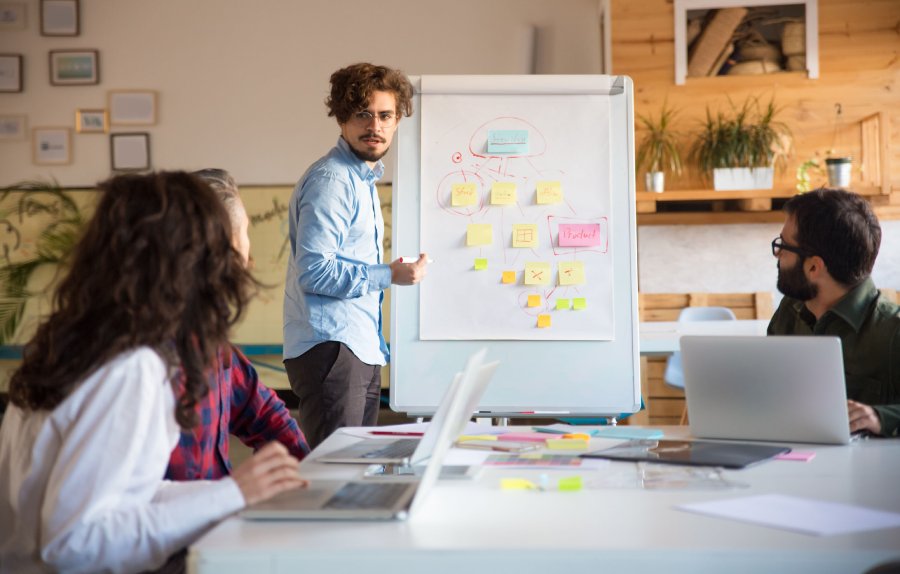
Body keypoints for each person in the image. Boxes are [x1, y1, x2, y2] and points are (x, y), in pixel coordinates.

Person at [0, 172, 307, 573]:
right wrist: (231, 493)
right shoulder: (133, 366)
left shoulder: (74, 340)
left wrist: (235, 494)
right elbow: (75, 543)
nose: (241, 263)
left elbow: (130, 495)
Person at [283, 63, 429, 449]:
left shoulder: (360, 178)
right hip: (333, 347)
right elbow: (314, 272)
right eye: (363, 114)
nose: (375, 126)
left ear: (398, 120)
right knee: (338, 475)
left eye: (385, 115)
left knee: (355, 470)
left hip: (355, 346)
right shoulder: (333, 181)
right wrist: (389, 275)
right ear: (342, 116)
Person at [165, 168, 309, 481]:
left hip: (218, 516)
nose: (249, 256)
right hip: (189, 525)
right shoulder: (157, 356)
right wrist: (234, 495)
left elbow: (264, 413)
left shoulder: (211, 342)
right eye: (244, 233)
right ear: (218, 247)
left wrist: (310, 475)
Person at [767, 187, 900, 437]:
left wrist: (881, 417)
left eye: (784, 245)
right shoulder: (790, 310)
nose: (778, 253)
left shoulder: (893, 331)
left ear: (814, 267)